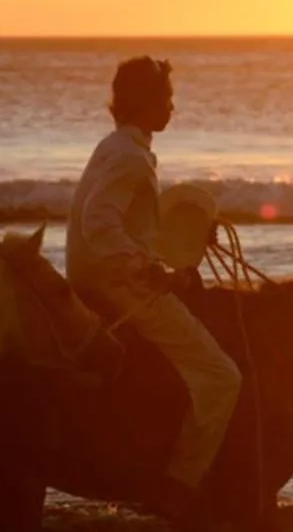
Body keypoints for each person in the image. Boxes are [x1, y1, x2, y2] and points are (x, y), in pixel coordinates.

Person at [66, 57, 241, 502]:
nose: (171, 108)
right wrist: (149, 272)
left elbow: (131, 225)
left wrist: (189, 237)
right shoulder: (130, 158)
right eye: (164, 98)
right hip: (118, 285)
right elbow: (100, 223)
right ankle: (181, 483)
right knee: (222, 376)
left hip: (98, 272)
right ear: (142, 102)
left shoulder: (117, 147)